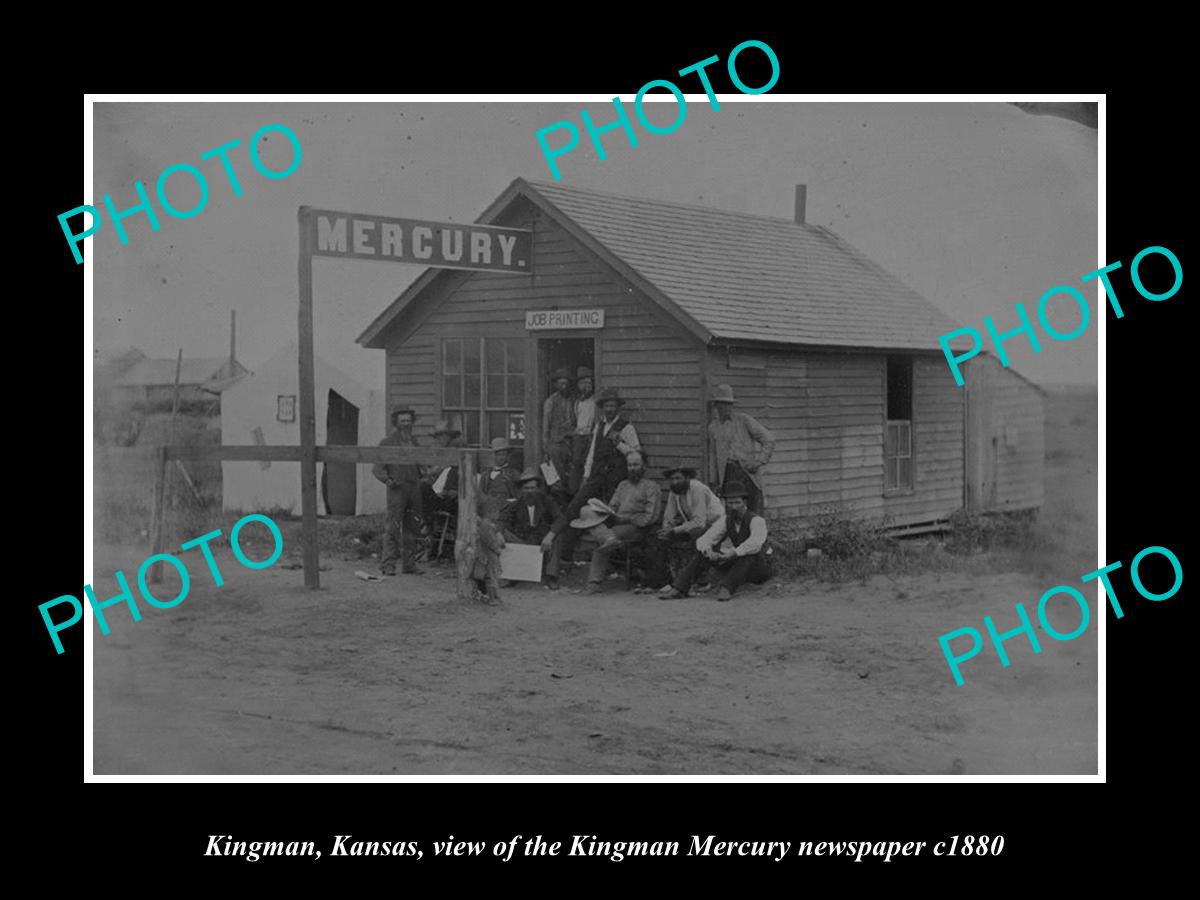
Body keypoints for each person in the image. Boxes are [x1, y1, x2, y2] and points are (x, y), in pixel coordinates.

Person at [544, 387, 640, 566]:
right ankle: (565, 554)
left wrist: (619, 444)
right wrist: (586, 476)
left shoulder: (627, 427)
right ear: (602, 408)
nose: (610, 409)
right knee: (575, 506)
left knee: (610, 514)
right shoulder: (599, 426)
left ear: (618, 408)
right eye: (607, 406)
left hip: (615, 479)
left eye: (613, 406)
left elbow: (636, 454)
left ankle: (611, 560)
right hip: (596, 476)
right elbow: (592, 454)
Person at [661, 482, 771, 601]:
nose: (733, 507)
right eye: (730, 503)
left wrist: (733, 553)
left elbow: (755, 544)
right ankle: (679, 588)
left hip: (759, 568)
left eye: (737, 503)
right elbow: (705, 539)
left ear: (744, 503)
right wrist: (708, 551)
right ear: (725, 504)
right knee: (703, 553)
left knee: (748, 555)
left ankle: (727, 588)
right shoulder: (726, 520)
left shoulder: (757, 520)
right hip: (739, 568)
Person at [578, 450, 662, 594]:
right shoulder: (623, 485)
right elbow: (613, 506)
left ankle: (594, 582)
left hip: (637, 528)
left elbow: (651, 517)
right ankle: (608, 538)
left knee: (604, 538)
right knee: (585, 511)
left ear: (644, 466)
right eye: (630, 465)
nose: (632, 468)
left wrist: (628, 518)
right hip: (616, 522)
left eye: (636, 464)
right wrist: (604, 510)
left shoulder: (651, 487)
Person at [656, 464, 725, 598]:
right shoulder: (674, 491)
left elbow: (700, 522)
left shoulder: (698, 489)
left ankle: (702, 581)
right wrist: (666, 530)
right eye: (672, 479)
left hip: (716, 526)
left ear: (687, 478)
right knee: (661, 536)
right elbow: (669, 516)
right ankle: (666, 581)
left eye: (678, 478)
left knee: (696, 534)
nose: (675, 482)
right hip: (694, 525)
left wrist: (675, 530)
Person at [708, 384, 776, 514]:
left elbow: (769, 440)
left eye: (729, 404)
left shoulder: (743, 420)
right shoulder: (713, 427)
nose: (726, 407)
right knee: (732, 512)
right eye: (722, 404)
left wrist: (759, 462)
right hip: (727, 474)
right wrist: (713, 480)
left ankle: (757, 534)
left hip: (746, 473)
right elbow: (713, 454)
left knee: (753, 512)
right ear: (716, 406)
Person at [372, 408, 424, 576]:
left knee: (413, 527)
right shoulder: (387, 442)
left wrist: (426, 475)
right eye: (402, 421)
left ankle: (409, 565)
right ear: (396, 423)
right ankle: (388, 565)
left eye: (408, 421)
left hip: (414, 488)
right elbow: (377, 468)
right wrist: (388, 480)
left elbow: (422, 465)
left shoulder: (414, 442)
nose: (406, 424)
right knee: (393, 527)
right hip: (397, 490)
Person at [499, 468, 562, 590]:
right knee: (503, 533)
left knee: (558, 534)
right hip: (524, 541)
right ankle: (512, 575)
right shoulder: (516, 504)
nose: (530, 491)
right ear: (522, 490)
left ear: (538, 489)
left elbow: (561, 519)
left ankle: (551, 576)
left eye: (533, 488)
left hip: (543, 542)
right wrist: (499, 533)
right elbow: (502, 519)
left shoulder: (547, 501)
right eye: (526, 488)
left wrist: (550, 536)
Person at [541, 368, 576, 495]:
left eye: (566, 383)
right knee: (555, 477)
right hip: (555, 443)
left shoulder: (574, 400)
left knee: (572, 474)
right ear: (556, 385)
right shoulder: (550, 402)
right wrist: (546, 448)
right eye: (561, 383)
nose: (564, 386)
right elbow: (546, 426)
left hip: (570, 442)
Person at [421, 419, 462, 525]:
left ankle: (429, 525)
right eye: (438, 436)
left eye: (444, 436)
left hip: (449, 492)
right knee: (422, 488)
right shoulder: (433, 450)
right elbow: (426, 471)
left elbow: (455, 470)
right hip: (434, 488)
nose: (441, 439)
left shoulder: (454, 449)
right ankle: (427, 524)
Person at [471, 494, 506, 604]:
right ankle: (492, 598)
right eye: (497, 512)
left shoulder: (487, 524)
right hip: (488, 555)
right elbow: (489, 540)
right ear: (491, 512)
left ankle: (495, 596)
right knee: (491, 576)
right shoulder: (486, 526)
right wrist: (497, 549)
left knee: (493, 576)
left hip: (489, 555)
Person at [568, 366, 596, 495]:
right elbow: (575, 420)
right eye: (584, 383)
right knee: (577, 462)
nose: (587, 386)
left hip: (591, 435)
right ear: (579, 385)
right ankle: (574, 492)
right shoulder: (577, 402)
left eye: (589, 383)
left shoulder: (595, 401)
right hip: (579, 436)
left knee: (588, 463)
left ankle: (585, 491)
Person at [480, 436, 521, 502]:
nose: (501, 458)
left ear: (507, 456)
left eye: (504, 454)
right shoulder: (486, 474)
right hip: (489, 508)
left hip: (507, 508)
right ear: (494, 455)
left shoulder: (513, 473)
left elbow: (518, 495)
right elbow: (481, 493)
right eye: (499, 455)